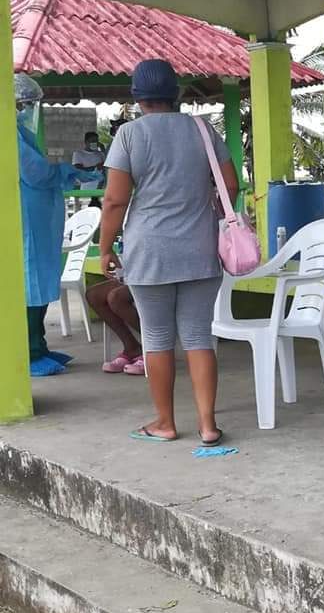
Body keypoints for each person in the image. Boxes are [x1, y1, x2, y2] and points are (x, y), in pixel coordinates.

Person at [100, 59, 238, 445]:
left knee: (157, 337)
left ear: (137, 97)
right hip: (200, 248)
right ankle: (208, 425)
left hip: (149, 251)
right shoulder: (202, 128)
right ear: (175, 94)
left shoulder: (129, 135)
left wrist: (106, 247)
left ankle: (165, 423)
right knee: (198, 337)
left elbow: (114, 200)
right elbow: (230, 184)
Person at [14, 73, 102, 376]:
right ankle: (30, 350)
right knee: (30, 286)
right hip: (26, 227)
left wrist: (71, 171)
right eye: (26, 105)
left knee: (36, 285)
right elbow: (37, 174)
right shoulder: (10, 135)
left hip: (38, 224)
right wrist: (70, 169)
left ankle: (39, 344)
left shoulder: (21, 135)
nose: (30, 111)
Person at [86, 278, 143, 375]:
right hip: (134, 275)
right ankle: (132, 348)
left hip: (156, 277)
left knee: (116, 297)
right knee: (94, 295)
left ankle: (154, 351)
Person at [73, 132, 107, 208]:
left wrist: (103, 150)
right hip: (86, 189)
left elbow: (107, 167)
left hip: (100, 189)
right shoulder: (78, 154)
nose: (94, 143)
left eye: (96, 141)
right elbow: (77, 168)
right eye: (92, 141)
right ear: (86, 142)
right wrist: (95, 168)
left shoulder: (100, 154)